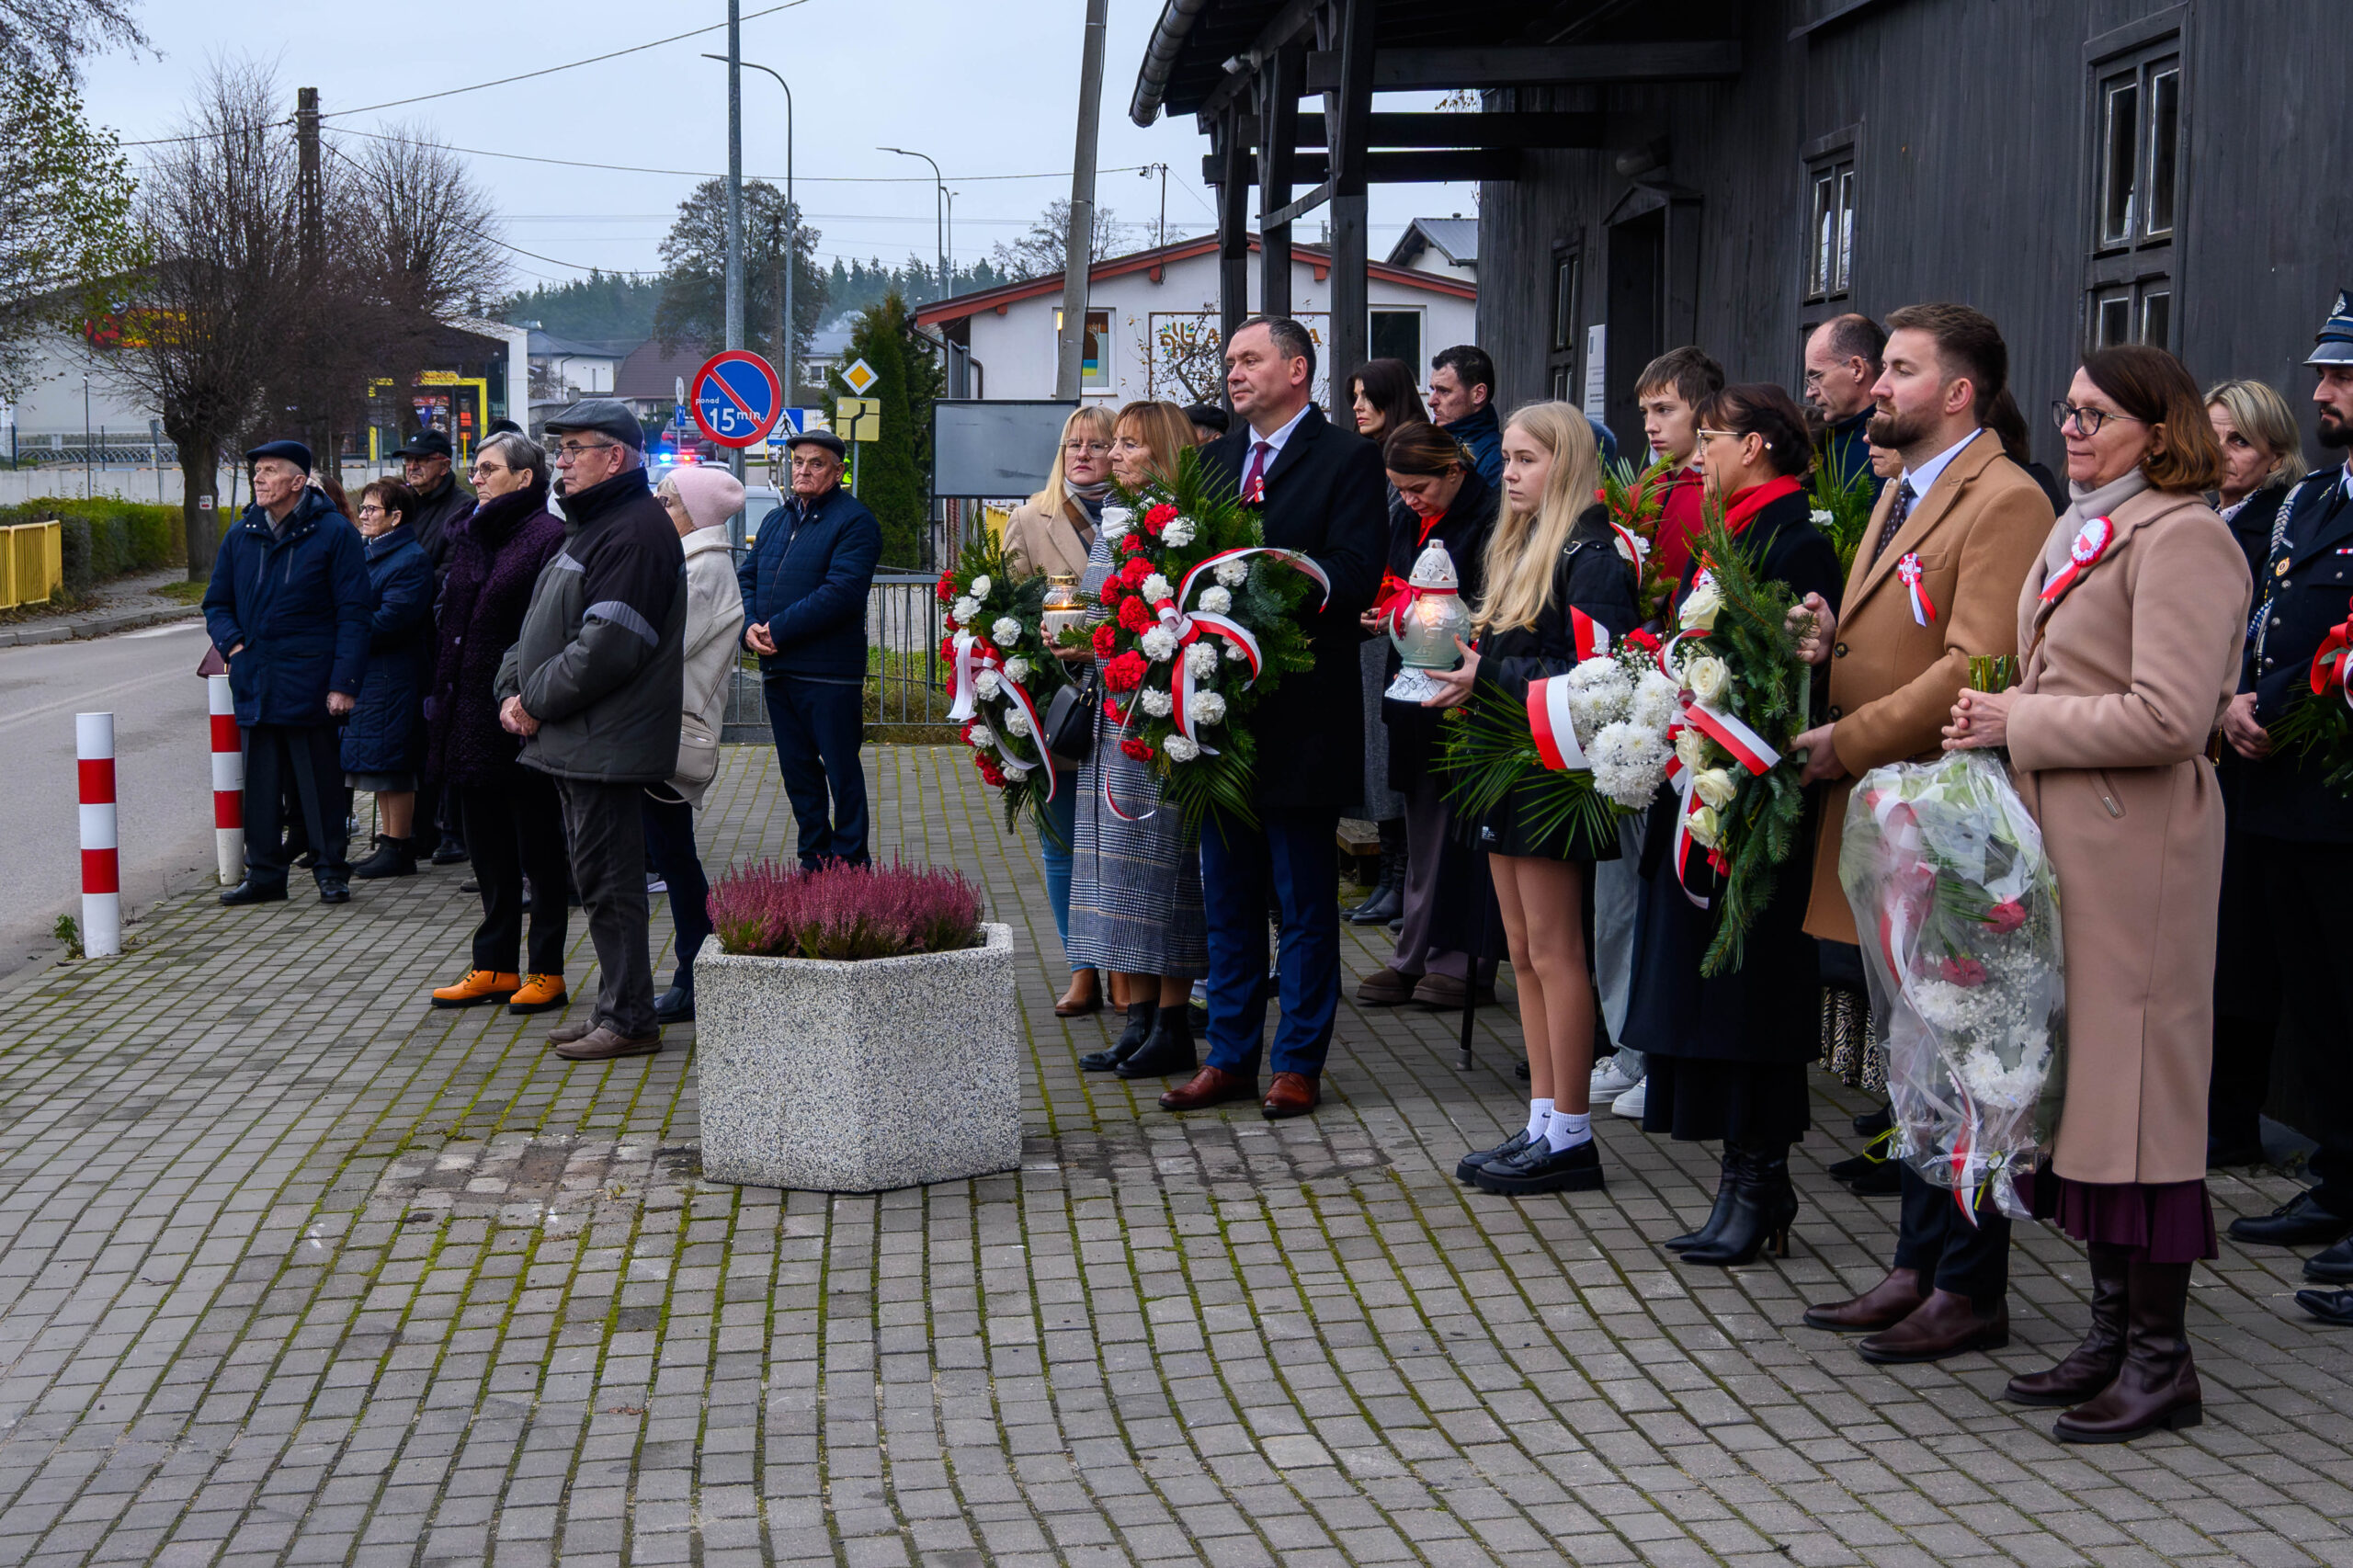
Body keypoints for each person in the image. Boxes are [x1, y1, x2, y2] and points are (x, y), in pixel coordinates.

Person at [1941, 345, 2242, 1441]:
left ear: (2158, 432)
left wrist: (2018, 720)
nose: (2069, 428)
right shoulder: (2088, 524)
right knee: (2088, 1103)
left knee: (2139, 1105)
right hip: (2074, 844)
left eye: (2095, 414)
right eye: (2065, 411)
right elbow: (2064, 675)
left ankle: (2162, 1360)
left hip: (2142, 856)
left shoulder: (2189, 537)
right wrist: (1999, 716)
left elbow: (2170, 718)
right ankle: (2114, 1332)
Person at [1787, 303, 2055, 1360]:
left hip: (1949, 815)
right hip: (1891, 815)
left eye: (1898, 369)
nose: (1875, 385)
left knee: (1967, 1043)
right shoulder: (1906, 483)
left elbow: (1978, 662)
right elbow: (1896, 629)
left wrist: (1847, 736)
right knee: (1916, 1043)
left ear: (1958, 391)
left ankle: (1968, 1281)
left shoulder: (2004, 497)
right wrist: (1828, 638)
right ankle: (1914, 1258)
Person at [1620, 384, 1844, 1267]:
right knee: (1717, 1000)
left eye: (1708, 438)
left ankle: (1761, 1183)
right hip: (1710, 787)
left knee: (1752, 1001)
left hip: (1756, 802)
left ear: (1753, 445)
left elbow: (1780, 680)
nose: (1696, 455)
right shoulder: (1737, 530)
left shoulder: (1794, 536)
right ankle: (1742, 1181)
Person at [1159, 317, 1386, 1119]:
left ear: (1298, 369)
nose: (1233, 372)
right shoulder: (1214, 462)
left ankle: (1298, 1062)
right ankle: (1229, 1056)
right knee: (1226, 898)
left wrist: (1266, 580)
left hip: (1302, 713)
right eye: (1228, 361)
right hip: (1217, 719)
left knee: (1302, 902)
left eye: (1249, 359)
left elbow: (1359, 573)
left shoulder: (1349, 459)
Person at [1425, 403, 1639, 1193]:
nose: (1507, 473)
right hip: (1508, 763)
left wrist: (1489, 677)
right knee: (1522, 953)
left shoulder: (1593, 554)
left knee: (1555, 952)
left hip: (1554, 774)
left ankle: (1573, 1135)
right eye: (1506, 459)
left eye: (1525, 459)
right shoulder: (1527, 545)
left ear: (1569, 461)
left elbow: (1600, 682)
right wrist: (1466, 671)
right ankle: (1544, 1120)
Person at [2221, 296, 2353, 1315]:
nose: (2321, 392)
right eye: (2322, 372)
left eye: (2341, 377)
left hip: (2339, 796)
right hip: (2274, 792)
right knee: (2314, 1004)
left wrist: (2283, 705)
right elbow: (2273, 617)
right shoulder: (2309, 503)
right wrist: (2236, 700)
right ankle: (2337, 1183)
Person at [498, 399, 687, 1062]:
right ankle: (616, 1007)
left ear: (617, 457)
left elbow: (608, 646)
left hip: (606, 739)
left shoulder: (633, 532)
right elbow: (538, 626)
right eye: (561, 449)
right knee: (599, 881)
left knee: (610, 882)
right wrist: (511, 688)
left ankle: (631, 1018)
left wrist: (534, 703)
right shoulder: (594, 526)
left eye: (577, 449)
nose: (564, 462)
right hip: (581, 737)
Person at [1066, 401, 1211, 1081]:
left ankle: (1173, 1023)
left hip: (1156, 717)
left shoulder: (1179, 524)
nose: (1114, 455)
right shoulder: (1117, 521)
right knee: (1117, 869)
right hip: (1111, 712)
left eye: (1128, 445)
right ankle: (1139, 1020)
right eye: (1114, 444)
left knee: (1162, 872)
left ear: (1161, 453)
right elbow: (1102, 609)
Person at [2202, 377, 2310, 1170]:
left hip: (2256, 753)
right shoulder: (2209, 517)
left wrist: (2243, 701)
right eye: (2213, 437)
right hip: (2205, 745)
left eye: (2238, 441)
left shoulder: (2282, 521)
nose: (2222, 454)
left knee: (2242, 949)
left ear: (2274, 452)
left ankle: (2232, 1117)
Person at [1355, 421, 1500, 1008]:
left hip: (1463, 688)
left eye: (1420, 488)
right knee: (1421, 827)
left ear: (1454, 471)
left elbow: (1485, 604)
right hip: (1412, 683)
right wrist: (1384, 611)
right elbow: (1392, 584)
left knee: (1461, 831)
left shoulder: (1487, 518)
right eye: (1401, 488)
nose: (1411, 500)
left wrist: (1410, 611)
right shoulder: (1410, 517)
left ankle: (1462, 960)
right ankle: (1414, 953)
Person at [426, 431, 573, 1016]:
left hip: (518, 714)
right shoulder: (471, 534)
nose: (477, 476)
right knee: (486, 849)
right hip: (467, 712)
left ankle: (546, 969)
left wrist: (526, 696)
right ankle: (493, 965)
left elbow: (548, 629)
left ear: (525, 477)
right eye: (476, 467)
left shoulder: (546, 537)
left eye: (489, 468)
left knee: (538, 849)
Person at [204, 440, 371, 906]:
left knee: (318, 784)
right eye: (256, 470)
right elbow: (216, 603)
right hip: (256, 679)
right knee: (260, 786)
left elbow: (355, 613)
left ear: (297, 482)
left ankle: (330, 871)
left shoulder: (334, 533)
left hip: (312, 683)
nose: (258, 478)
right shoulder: (241, 535)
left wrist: (344, 683)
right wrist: (234, 645)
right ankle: (264, 876)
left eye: (270, 470)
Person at [1003, 406, 1115, 1017]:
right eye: (1074, 444)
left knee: (1122, 839)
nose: (1083, 455)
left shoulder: (1140, 516)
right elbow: (1007, 611)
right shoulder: (1031, 516)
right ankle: (1081, 968)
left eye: (1098, 445)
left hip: (1126, 697)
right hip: (1061, 702)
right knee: (1062, 842)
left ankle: (1127, 968)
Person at [739, 429, 881, 869]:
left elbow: (841, 592)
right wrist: (748, 627)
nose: (802, 470)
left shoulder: (855, 521)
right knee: (798, 773)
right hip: (779, 670)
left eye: (815, 463)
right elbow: (746, 578)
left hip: (828, 673)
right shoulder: (776, 521)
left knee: (841, 772)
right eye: (797, 462)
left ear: (838, 471)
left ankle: (852, 861)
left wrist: (776, 629)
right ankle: (813, 859)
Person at [642, 464, 749, 1026]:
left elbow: (664, 647)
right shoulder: (689, 561)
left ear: (698, 514)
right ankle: (694, 969)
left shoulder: (704, 568)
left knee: (674, 856)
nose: (660, 509)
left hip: (671, 731)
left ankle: (694, 972)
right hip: (658, 726)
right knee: (668, 853)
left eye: (669, 502)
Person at [1343, 357, 1430, 928]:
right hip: (1373, 620)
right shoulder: (1369, 460)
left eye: (1368, 397)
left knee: (1389, 757)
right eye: (1352, 396)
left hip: (1399, 622)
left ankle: (1402, 879)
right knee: (1378, 760)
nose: (1357, 408)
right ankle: (1391, 876)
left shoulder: (1411, 457)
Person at [342, 479, 438, 880]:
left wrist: (347, 627)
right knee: (380, 763)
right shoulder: (375, 554)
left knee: (394, 764)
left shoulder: (408, 560)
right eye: (362, 508)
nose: (363, 516)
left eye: (371, 510)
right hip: (375, 674)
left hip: (393, 674)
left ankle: (398, 847)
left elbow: (393, 619)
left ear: (395, 517)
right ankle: (389, 842)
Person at [1637, 347, 1727, 585]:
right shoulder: (1648, 481)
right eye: (1644, 413)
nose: (1649, 426)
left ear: (1705, 411)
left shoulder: (1721, 488)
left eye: (1663, 410)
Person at [1803, 313, 1887, 494]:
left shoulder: (1893, 446)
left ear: (1856, 369)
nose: (1809, 392)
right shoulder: (1824, 441)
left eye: (1817, 376)